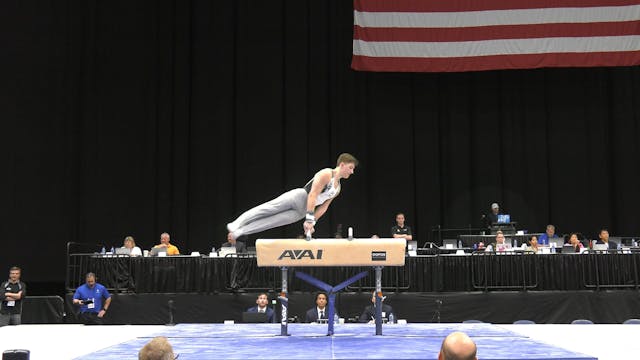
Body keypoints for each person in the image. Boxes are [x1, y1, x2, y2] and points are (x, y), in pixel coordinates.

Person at [227, 153, 358, 240]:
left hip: (302, 212)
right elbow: (312, 195)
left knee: (272, 222)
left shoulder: (338, 189)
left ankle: (240, 231)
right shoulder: (326, 174)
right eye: (351, 168)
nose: (352, 172)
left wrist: (312, 223)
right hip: (299, 197)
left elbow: (324, 207)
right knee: (267, 209)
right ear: (342, 165)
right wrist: (309, 217)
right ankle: (237, 223)